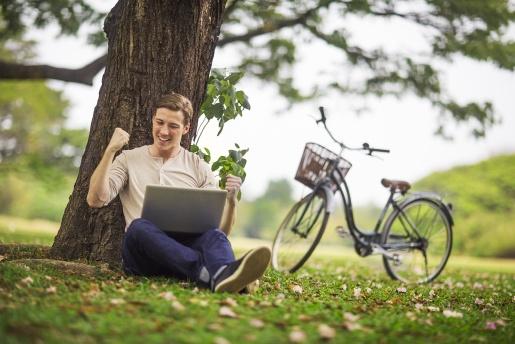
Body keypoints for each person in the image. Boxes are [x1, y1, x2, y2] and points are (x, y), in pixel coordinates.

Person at [86, 91, 271, 293]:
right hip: (145, 257)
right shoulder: (128, 159)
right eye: (160, 122)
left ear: (186, 128)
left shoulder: (198, 166)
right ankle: (214, 274)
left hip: (183, 253)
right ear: (153, 121)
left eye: (173, 126)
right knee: (138, 227)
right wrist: (111, 150)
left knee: (214, 237)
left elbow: (220, 233)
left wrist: (232, 203)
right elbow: (96, 199)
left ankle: (222, 276)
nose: (164, 131)